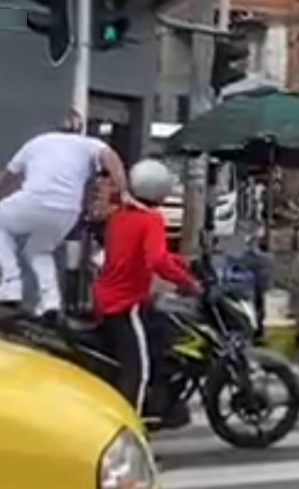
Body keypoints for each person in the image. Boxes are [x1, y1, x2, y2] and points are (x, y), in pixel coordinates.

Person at [0, 110, 136, 320]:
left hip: (34, 200)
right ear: (80, 128)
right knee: (39, 251)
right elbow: (110, 157)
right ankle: (50, 302)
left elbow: (7, 176)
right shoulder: (89, 144)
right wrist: (123, 192)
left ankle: (11, 284)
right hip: (66, 212)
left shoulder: (37, 142)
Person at [93, 159, 202, 426]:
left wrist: (183, 264)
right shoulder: (150, 219)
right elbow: (156, 261)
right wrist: (187, 283)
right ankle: (132, 431)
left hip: (106, 297)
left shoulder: (121, 215)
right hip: (123, 304)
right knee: (138, 373)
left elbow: (149, 256)